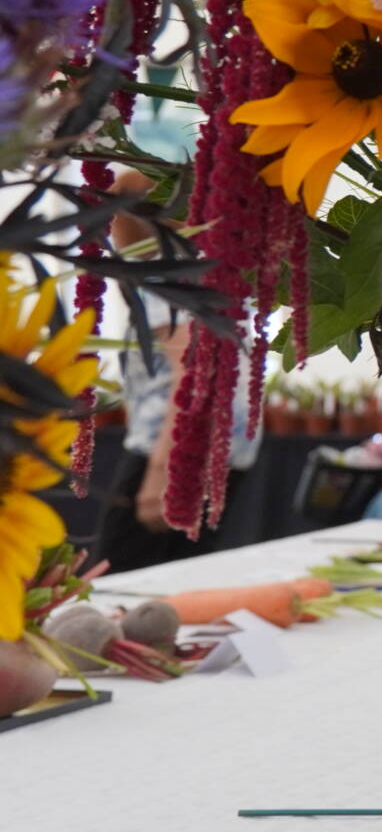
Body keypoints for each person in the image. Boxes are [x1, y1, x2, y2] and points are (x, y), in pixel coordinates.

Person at [92, 171, 258, 570]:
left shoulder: (167, 280)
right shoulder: (212, 272)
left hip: (175, 447)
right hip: (217, 448)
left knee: (120, 575)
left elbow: (193, 374)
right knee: (182, 570)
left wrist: (161, 472)